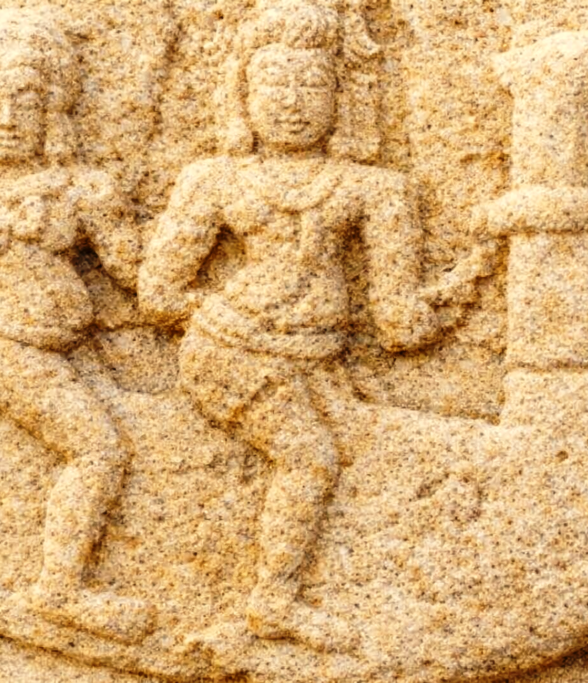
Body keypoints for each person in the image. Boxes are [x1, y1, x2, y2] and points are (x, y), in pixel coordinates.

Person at [140, 0, 438, 651]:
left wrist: (458, 289)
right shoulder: (213, 179)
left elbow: (398, 321)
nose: (291, 103)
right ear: (243, 95)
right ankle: (273, 602)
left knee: (366, 450)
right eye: (273, 84)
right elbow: (160, 291)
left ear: (343, 98)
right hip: (232, 349)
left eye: (310, 85)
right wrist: (234, 319)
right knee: (309, 457)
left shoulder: (377, 190)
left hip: (316, 361)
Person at [0, 9, 153, 644]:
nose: (8, 119)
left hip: (68, 345)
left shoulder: (85, 187)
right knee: (98, 451)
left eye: (24, 103)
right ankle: (59, 590)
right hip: (6, 347)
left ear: (51, 113)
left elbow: (135, 271)